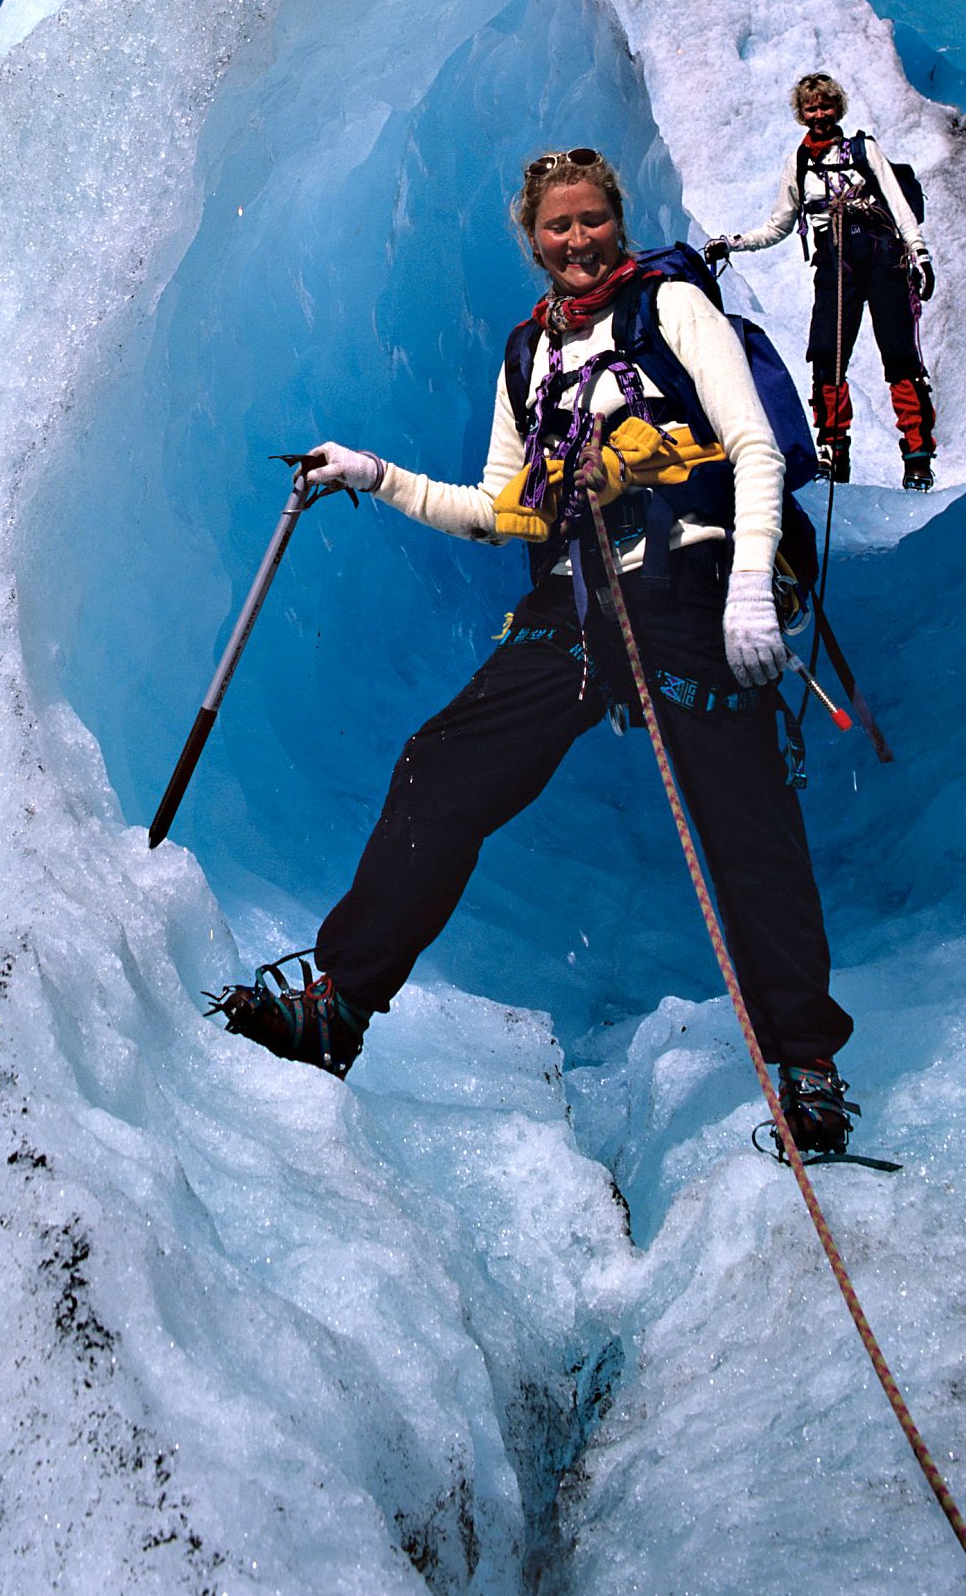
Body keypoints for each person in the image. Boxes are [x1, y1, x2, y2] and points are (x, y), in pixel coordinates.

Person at [205, 146, 859, 1155]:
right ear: (533, 237)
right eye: (558, 224)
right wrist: (375, 474)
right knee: (439, 769)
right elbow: (500, 509)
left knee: (745, 825)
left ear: (617, 219)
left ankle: (807, 1064)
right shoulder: (528, 352)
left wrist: (747, 589)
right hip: (577, 603)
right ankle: (340, 1005)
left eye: (592, 218)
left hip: (690, 584)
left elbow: (753, 447)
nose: (577, 239)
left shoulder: (671, 308)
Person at [707, 71, 938, 491]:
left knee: (900, 357)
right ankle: (833, 449)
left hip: (883, 258)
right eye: (811, 108)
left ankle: (918, 456)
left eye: (826, 106)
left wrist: (918, 253)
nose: (819, 114)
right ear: (801, 113)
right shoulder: (798, 163)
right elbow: (779, 225)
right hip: (835, 265)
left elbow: (898, 204)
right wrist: (733, 243)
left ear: (838, 108)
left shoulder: (864, 150)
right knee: (826, 357)